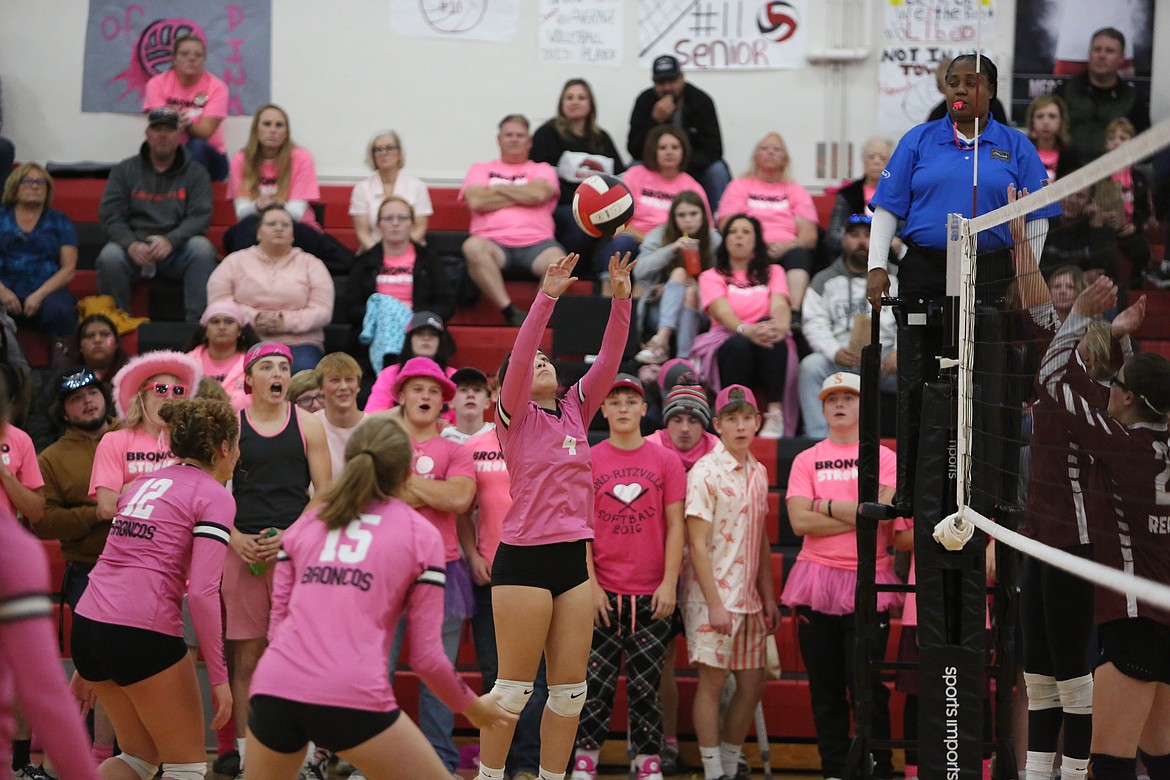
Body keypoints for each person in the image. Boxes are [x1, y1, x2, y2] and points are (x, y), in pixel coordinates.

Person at [244, 415, 515, 780]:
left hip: (274, 687)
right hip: (352, 694)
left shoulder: (306, 524)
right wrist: (474, 709)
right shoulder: (420, 534)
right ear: (407, 472)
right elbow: (426, 658)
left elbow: (277, 629)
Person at [866, 53, 1059, 514]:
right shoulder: (919, 140)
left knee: (992, 381)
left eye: (969, 82)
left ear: (989, 91)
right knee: (916, 380)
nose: (958, 90)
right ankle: (911, 490)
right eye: (951, 82)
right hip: (925, 271)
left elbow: (1037, 216)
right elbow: (889, 208)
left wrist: (1024, 272)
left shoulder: (1015, 145)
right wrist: (877, 266)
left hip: (991, 271)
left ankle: (994, 494)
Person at [475, 251, 634, 780]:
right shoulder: (514, 416)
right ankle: (489, 776)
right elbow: (520, 356)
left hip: (571, 561)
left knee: (570, 694)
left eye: (550, 359)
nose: (543, 361)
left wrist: (621, 299)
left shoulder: (574, 411)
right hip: (522, 559)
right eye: (535, 362)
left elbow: (610, 362)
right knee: (514, 690)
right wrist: (547, 296)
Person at [1035, 277, 1169, 780]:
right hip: (1165, 618)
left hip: (1133, 623)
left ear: (1129, 398)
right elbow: (1135, 384)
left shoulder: (1123, 447)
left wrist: (1082, 319)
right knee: (1160, 757)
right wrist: (1117, 338)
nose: (1106, 391)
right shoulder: (1158, 445)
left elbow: (1051, 377)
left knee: (1110, 763)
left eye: (1115, 388)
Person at [70, 397, 238, 780]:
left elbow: (112, 560)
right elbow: (201, 593)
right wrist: (218, 677)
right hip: (141, 630)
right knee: (187, 768)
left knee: (138, 758)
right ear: (224, 448)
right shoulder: (215, 496)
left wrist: (90, 656)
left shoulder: (143, 483)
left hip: (89, 623)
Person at [781, 372, 899, 780]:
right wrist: (857, 514)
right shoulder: (805, 458)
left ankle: (879, 769)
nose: (839, 404)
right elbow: (798, 522)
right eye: (832, 398)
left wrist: (822, 505)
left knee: (867, 687)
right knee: (825, 690)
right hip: (815, 582)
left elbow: (881, 514)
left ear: (863, 405)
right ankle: (834, 771)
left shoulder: (885, 459)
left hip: (869, 582)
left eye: (849, 397)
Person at [224, 341, 330, 777]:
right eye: (266, 366)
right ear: (248, 379)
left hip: (294, 553)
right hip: (241, 550)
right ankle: (250, 761)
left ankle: (299, 758)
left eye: (283, 367)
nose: (277, 373)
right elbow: (210, 491)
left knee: (296, 656)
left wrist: (288, 536)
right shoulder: (231, 424)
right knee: (246, 660)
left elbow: (324, 495)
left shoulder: (309, 424)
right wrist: (235, 539)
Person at [572, 374, 685, 780]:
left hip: (652, 594)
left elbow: (676, 527)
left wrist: (669, 583)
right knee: (594, 686)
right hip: (602, 593)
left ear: (643, 410)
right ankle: (586, 757)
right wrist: (592, 586)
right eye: (614, 401)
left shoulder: (665, 460)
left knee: (646, 687)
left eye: (630, 401)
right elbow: (580, 528)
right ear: (603, 409)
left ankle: (647, 759)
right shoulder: (589, 457)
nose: (622, 408)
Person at [0, 374, 99, 780]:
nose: (88, 402)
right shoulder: (57, 455)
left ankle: (23, 762)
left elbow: (37, 513)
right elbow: (47, 695)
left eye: (93, 393)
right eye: (77, 398)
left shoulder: (20, 442)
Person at [383, 356, 476, 775]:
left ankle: (439, 764)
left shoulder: (457, 449)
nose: (425, 396)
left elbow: (459, 501)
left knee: (438, 674)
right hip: (382, 569)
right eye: (417, 388)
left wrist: (403, 486)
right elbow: (370, 495)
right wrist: (434, 490)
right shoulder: (380, 443)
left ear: (444, 403)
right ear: (400, 395)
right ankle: (373, 760)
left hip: (442, 570)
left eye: (434, 391)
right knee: (374, 671)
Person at [682, 384, 778, 780]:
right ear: (718, 425)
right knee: (712, 681)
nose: (741, 426)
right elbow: (697, 545)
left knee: (754, 680)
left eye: (747, 418)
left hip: (750, 598)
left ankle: (728, 759)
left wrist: (768, 595)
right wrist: (715, 603)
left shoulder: (759, 472)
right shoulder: (705, 471)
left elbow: (761, 538)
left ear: (758, 422)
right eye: (732, 419)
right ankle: (711, 771)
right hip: (713, 596)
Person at [644, 383, 716, 773]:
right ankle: (667, 740)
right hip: (663, 568)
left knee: (719, 665)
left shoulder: (720, 453)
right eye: (677, 418)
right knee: (663, 661)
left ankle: (720, 747)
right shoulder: (649, 447)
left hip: (711, 570)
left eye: (693, 420)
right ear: (665, 421)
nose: (684, 428)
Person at [96, 107, 216, 322]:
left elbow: (200, 217)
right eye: (157, 129)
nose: (162, 135)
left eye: (169, 130)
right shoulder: (124, 170)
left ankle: (197, 327)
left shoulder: (196, 173)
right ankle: (117, 325)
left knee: (202, 249)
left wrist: (171, 241)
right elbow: (110, 215)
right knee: (109, 256)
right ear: (147, 134)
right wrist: (131, 244)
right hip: (134, 250)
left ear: (179, 135)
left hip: (177, 250)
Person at [690, 214, 792, 439]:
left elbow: (779, 304)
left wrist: (780, 326)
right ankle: (736, 412)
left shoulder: (774, 271)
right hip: (727, 337)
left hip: (768, 338)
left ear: (756, 239)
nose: (739, 236)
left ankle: (775, 413)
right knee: (738, 345)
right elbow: (722, 311)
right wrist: (747, 331)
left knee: (771, 332)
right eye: (733, 232)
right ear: (725, 240)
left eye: (746, 232)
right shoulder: (710, 276)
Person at [800, 214, 897, 439]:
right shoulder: (823, 280)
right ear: (844, 240)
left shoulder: (896, 276)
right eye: (854, 235)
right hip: (843, 359)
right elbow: (814, 323)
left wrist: (900, 350)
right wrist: (834, 351)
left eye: (868, 235)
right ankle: (819, 441)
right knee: (810, 367)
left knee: (915, 368)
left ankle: (911, 441)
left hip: (885, 360)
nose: (861, 241)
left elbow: (908, 319)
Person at [461, 115, 563, 327]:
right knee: (472, 247)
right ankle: (510, 311)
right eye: (508, 135)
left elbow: (539, 194)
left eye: (519, 135)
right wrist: (522, 193)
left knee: (560, 263)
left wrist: (497, 189)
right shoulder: (480, 168)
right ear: (499, 139)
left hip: (538, 243)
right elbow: (477, 200)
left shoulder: (542, 168)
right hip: (492, 243)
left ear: (529, 141)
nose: (514, 139)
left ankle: (536, 319)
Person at [207, 203, 335, 372]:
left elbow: (322, 311)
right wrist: (256, 318)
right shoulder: (234, 262)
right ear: (259, 233)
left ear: (293, 234)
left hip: (299, 343)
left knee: (304, 375)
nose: (279, 228)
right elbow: (219, 304)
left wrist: (283, 321)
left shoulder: (312, 264)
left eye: (285, 225)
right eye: (271, 224)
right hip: (245, 340)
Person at [344, 196, 456, 372]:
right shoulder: (364, 262)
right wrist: (382, 314)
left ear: (412, 224)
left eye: (402, 218)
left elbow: (446, 304)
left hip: (418, 327)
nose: (395, 223)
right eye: (388, 218)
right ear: (378, 225)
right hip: (376, 329)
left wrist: (411, 318)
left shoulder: (429, 260)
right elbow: (350, 306)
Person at [90, 350, 202, 522]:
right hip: (130, 542)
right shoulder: (114, 441)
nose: (171, 397)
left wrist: (130, 488)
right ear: (141, 398)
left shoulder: (193, 442)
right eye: (161, 389)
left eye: (178, 390)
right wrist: (168, 487)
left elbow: (201, 504)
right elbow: (107, 508)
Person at [717, 132, 817, 311]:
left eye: (777, 149)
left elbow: (809, 235)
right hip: (749, 248)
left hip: (787, 249)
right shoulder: (739, 185)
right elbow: (727, 225)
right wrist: (757, 245)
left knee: (800, 254)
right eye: (764, 149)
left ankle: (794, 312)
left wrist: (790, 245)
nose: (770, 153)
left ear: (785, 158)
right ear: (756, 156)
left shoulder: (795, 189)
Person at [530, 79, 627, 258]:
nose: (575, 102)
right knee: (581, 222)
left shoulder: (602, 138)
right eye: (570, 97)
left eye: (581, 98)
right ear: (562, 104)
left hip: (599, 206)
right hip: (564, 206)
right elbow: (544, 182)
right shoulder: (548, 133)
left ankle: (600, 273)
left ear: (591, 105)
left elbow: (619, 178)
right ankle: (571, 271)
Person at [627, 55, 730, 207]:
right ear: (653, 83)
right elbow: (633, 149)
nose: (667, 87)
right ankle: (627, 219)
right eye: (661, 82)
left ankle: (718, 220)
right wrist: (654, 121)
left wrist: (679, 162)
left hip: (693, 166)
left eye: (672, 81)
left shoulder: (701, 101)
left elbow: (714, 149)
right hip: (656, 167)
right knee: (634, 167)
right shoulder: (645, 100)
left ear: (682, 78)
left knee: (717, 170)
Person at [0, 164, 78, 362]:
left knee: (62, 310)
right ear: (14, 187)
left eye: (40, 182)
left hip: (46, 291)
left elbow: (68, 269)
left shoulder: (60, 221)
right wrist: (2, 291)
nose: (35, 186)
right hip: (4, 288)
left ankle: (62, 379)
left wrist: (39, 295)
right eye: (28, 181)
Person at [635, 191, 721, 364]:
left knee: (689, 289)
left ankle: (661, 342)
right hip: (658, 308)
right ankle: (686, 359)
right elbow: (639, 271)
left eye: (693, 214)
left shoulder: (714, 240)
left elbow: (722, 280)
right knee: (680, 275)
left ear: (704, 216)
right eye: (681, 215)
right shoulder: (659, 235)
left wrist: (695, 284)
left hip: (703, 307)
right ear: (673, 217)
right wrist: (671, 249)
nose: (688, 220)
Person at [28, 313, 131, 450]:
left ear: (117, 343)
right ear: (80, 346)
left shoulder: (131, 376)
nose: (97, 340)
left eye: (105, 335)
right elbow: (40, 419)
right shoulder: (63, 377)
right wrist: (46, 452)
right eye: (90, 336)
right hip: (69, 451)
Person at [1055, 27, 1151, 162]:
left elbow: (1144, 149)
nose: (1102, 56)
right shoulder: (1064, 91)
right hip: (1068, 176)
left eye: (1110, 51)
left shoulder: (1134, 100)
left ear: (1121, 59)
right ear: (1089, 54)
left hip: (1115, 176)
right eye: (1097, 49)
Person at [142, 33, 230, 181]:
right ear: (174, 59)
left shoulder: (216, 87)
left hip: (211, 159)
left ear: (204, 60)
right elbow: (158, 125)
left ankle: (190, 198)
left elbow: (204, 132)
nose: (192, 58)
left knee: (197, 145)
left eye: (198, 55)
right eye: (184, 54)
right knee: (152, 145)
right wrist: (171, 120)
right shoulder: (157, 84)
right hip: (170, 153)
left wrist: (184, 122)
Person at [349, 131, 433, 249]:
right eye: (378, 150)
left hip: (411, 251)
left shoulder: (418, 187)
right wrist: (381, 255)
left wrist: (399, 253)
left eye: (389, 148)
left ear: (399, 153)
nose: (384, 153)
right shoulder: (361, 189)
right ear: (372, 156)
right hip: (373, 252)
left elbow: (420, 228)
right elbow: (362, 232)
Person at [365, 311, 458, 415]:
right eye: (419, 333)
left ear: (440, 342)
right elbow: (373, 416)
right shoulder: (388, 374)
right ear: (410, 340)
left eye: (432, 334)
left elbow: (462, 422)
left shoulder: (455, 376)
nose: (426, 338)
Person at [826, 137, 900, 259]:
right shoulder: (848, 194)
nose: (876, 162)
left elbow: (905, 230)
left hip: (888, 255)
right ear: (863, 161)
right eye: (871, 157)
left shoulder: (899, 193)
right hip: (851, 255)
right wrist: (859, 242)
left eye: (883, 158)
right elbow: (834, 235)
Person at [1102, 118, 1156, 285]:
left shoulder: (1139, 176)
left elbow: (1145, 209)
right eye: (1112, 138)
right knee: (1106, 254)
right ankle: (1110, 287)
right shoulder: (1099, 173)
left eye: (1123, 138)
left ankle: (1136, 282)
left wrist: (1135, 225)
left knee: (1142, 250)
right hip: (1105, 230)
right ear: (1105, 144)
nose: (1117, 142)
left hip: (1130, 228)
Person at [187, 300, 259, 411]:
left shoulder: (253, 365)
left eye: (229, 321)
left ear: (239, 331)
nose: (221, 327)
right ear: (205, 331)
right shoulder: (187, 363)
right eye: (215, 322)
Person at [313, 352, 367, 483]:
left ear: (358, 386)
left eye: (349, 380)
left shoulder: (374, 427)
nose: (343, 387)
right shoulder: (310, 425)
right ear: (320, 388)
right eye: (335, 380)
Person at [926, 56, 1008, 124]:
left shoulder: (994, 107)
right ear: (940, 89)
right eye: (953, 84)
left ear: (991, 91)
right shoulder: (936, 117)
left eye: (970, 83)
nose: (960, 90)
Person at [1024, 94, 1082, 184]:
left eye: (1052, 116)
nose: (1046, 122)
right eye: (1040, 116)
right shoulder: (1022, 151)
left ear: (1061, 121)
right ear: (1032, 121)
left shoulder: (1070, 154)